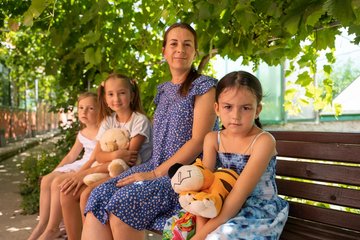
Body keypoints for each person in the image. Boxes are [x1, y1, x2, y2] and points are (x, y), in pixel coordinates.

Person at [81, 22, 218, 240]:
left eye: (187, 44)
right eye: (173, 44)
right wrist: (150, 169)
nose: (180, 49)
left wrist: (155, 174)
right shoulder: (162, 91)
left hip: (183, 175)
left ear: (195, 52)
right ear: (164, 51)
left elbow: (199, 141)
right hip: (155, 165)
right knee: (98, 194)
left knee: (124, 204)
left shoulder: (204, 87)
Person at [166, 71, 289, 240]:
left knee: (218, 237)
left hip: (256, 209)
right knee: (178, 227)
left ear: (257, 109)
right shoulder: (212, 139)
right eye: (228, 107)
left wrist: (200, 236)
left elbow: (237, 198)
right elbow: (203, 187)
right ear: (217, 108)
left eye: (245, 108)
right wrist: (201, 230)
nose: (235, 116)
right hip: (217, 201)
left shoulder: (263, 142)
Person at [59, 73, 153, 240]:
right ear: (104, 97)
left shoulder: (140, 121)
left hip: (132, 173)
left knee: (87, 194)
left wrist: (86, 173)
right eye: (110, 94)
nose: (116, 98)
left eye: (122, 93)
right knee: (67, 193)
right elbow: (100, 156)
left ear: (132, 95)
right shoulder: (108, 121)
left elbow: (129, 161)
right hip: (110, 170)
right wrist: (115, 154)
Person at [28, 92, 99, 240]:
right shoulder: (83, 132)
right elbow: (71, 156)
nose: (84, 112)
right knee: (48, 179)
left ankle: (53, 228)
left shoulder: (103, 128)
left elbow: (95, 158)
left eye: (90, 108)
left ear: (100, 109)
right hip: (81, 163)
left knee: (57, 183)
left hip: (91, 165)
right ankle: (42, 224)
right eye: (81, 108)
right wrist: (56, 171)